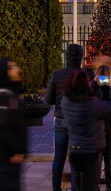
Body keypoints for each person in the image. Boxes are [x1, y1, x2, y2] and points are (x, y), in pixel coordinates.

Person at [61, 70, 111, 191]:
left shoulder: (66, 101)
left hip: (74, 150)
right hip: (91, 153)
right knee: (91, 186)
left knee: (77, 186)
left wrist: (94, 83)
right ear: (84, 85)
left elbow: (79, 94)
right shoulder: (92, 104)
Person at [45, 43, 86, 191]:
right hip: (79, 121)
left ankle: (56, 188)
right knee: (75, 158)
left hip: (61, 118)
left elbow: (48, 99)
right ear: (80, 57)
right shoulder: (85, 75)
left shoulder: (57, 75)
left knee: (59, 157)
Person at [0, 58, 27, 191]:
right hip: (7, 156)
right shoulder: (3, 96)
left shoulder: (10, 93)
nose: (18, 70)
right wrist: (16, 151)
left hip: (10, 156)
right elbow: (3, 127)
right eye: (13, 67)